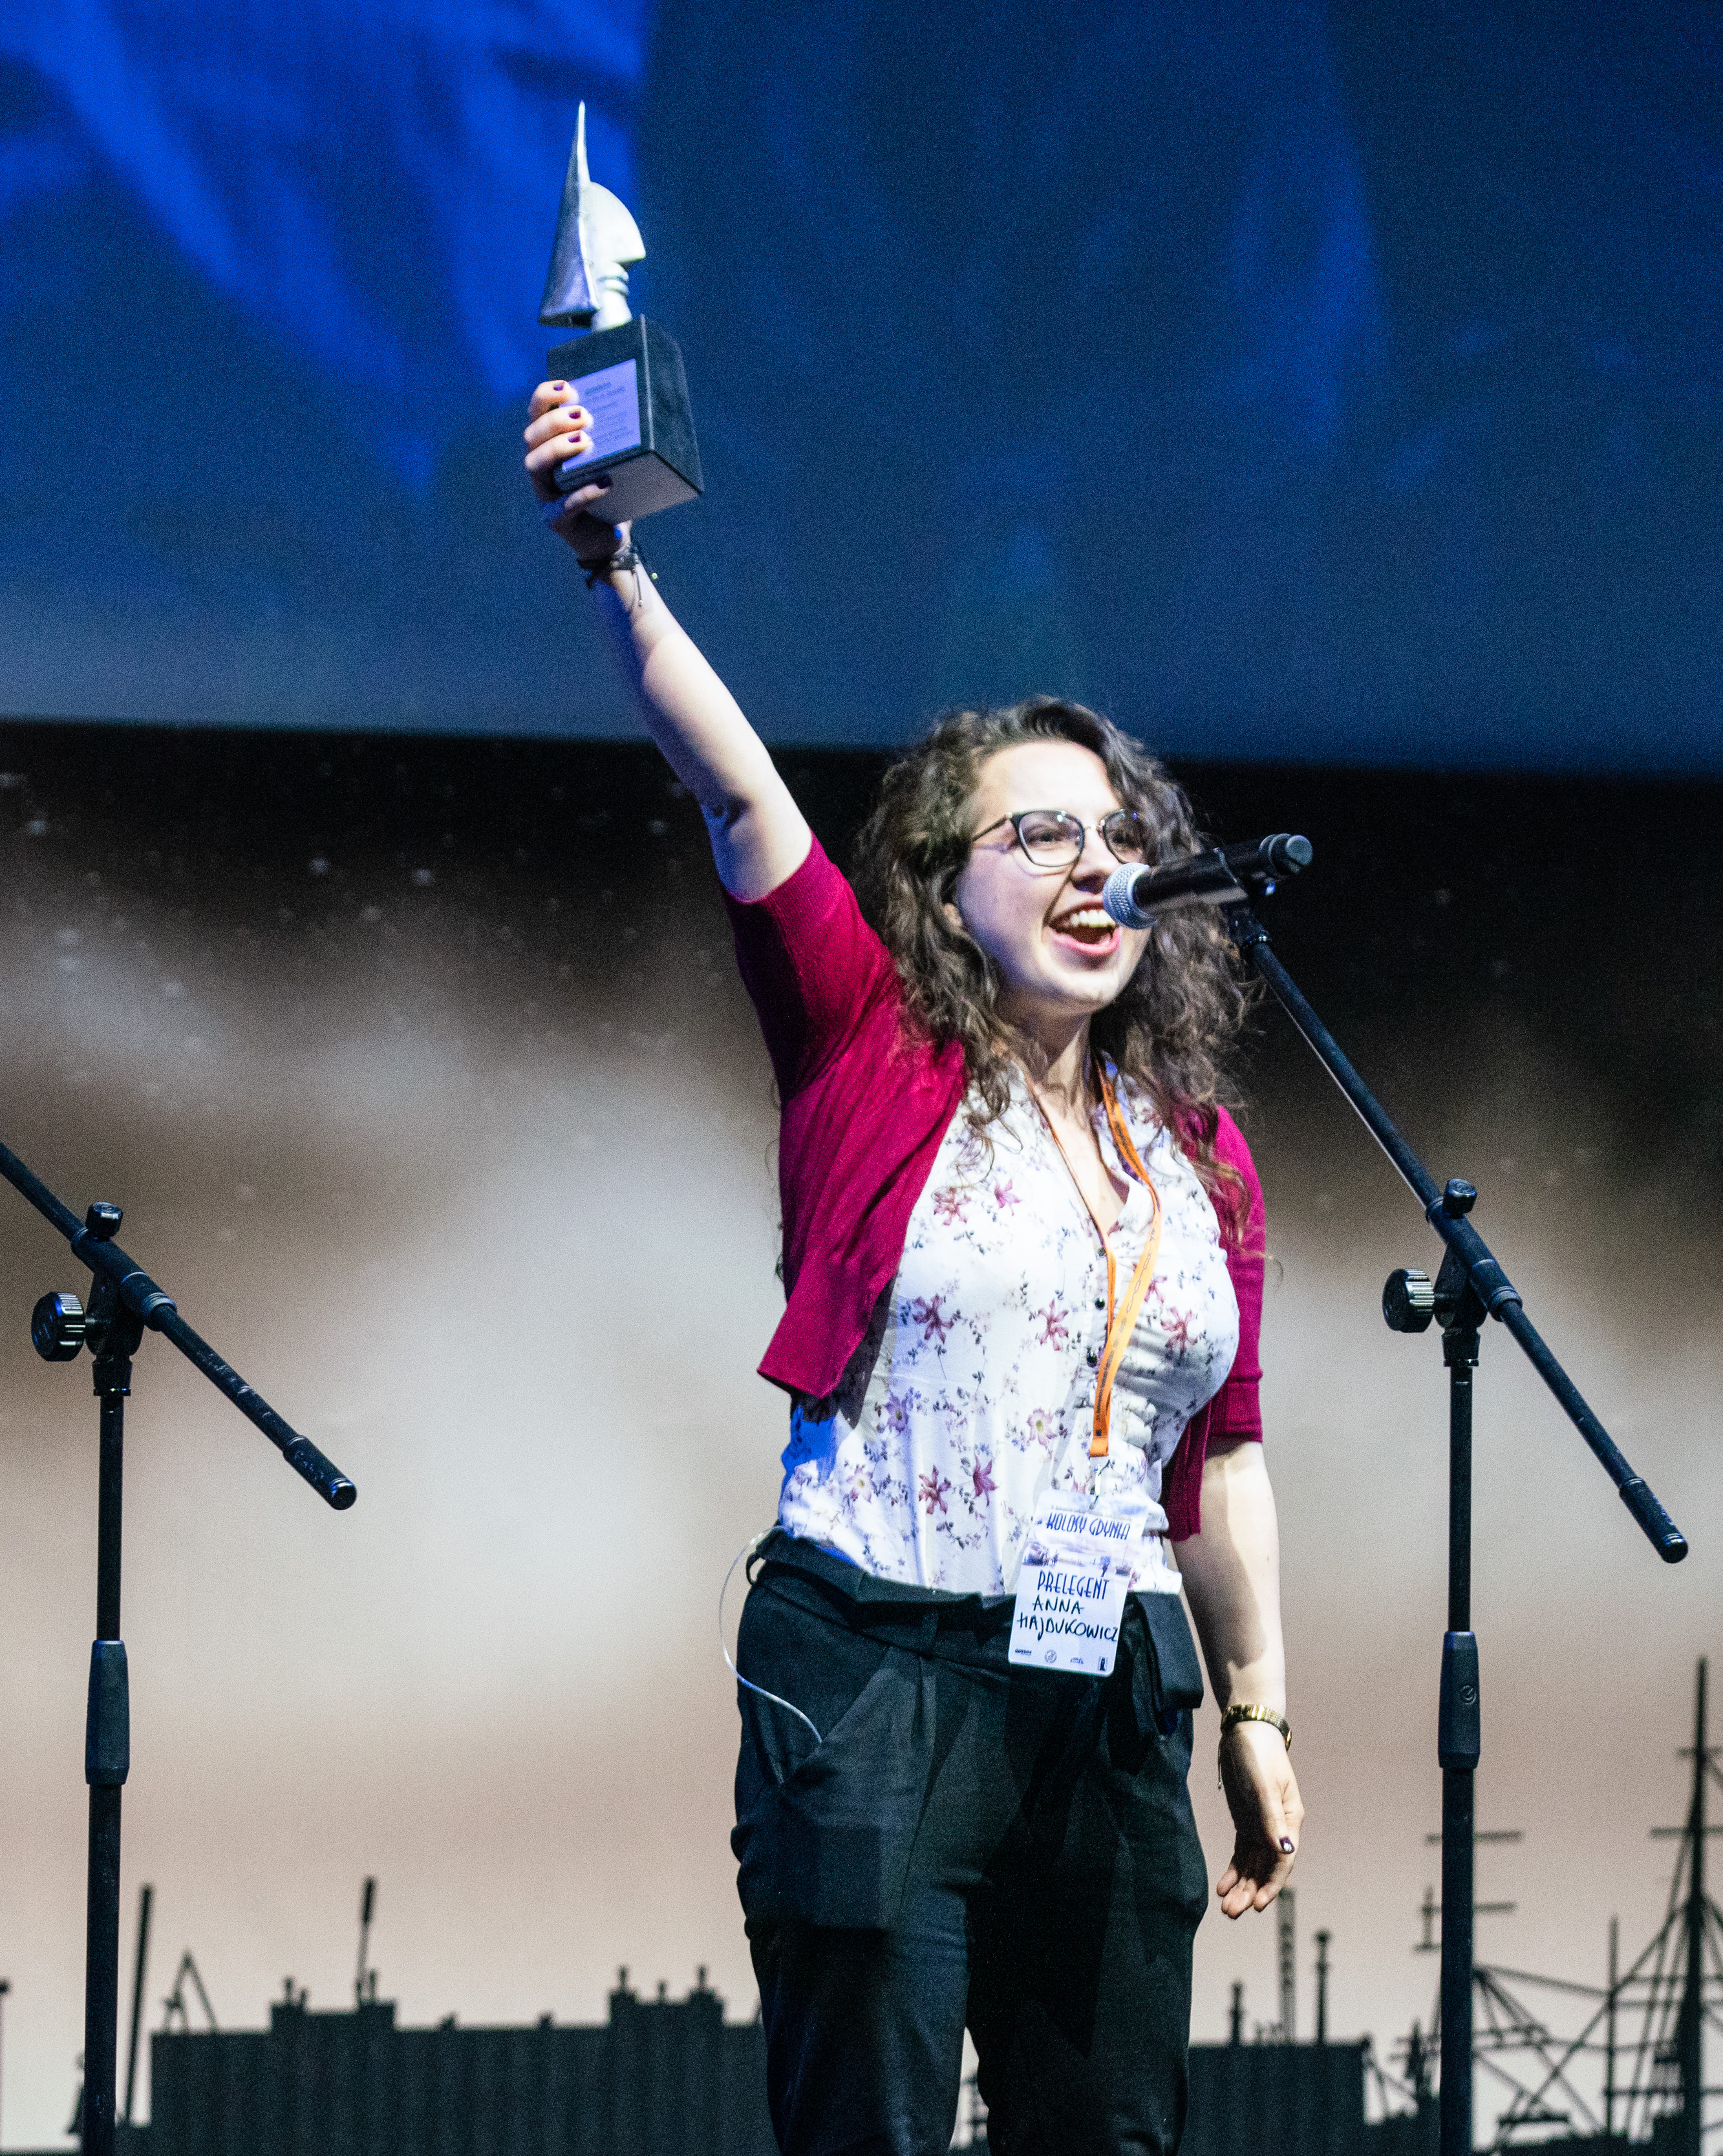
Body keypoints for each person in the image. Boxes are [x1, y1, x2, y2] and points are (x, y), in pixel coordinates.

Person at [525, 383, 1301, 2155]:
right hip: (877, 1670)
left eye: (1116, 836)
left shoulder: (1200, 1154)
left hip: (1115, 1690)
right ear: (944, 885)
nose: (1095, 862)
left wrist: (1257, 1711)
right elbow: (732, 790)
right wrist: (614, 573)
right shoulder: (868, 1043)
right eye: (1040, 834)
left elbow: (1225, 1454)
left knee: (1107, 2130)